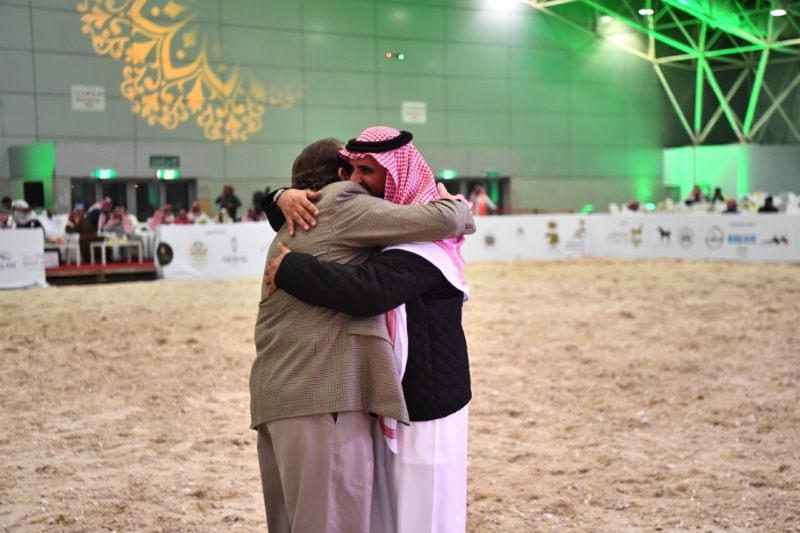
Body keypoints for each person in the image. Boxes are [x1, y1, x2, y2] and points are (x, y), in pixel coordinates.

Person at [251, 134, 475, 533]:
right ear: (339, 175)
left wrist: (280, 205)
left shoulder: (300, 223)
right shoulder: (346, 208)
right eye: (352, 169)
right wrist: (456, 207)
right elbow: (372, 287)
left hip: (284, 400)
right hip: (324, 399)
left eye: (366, 170)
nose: (357, 179)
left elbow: (370, 289)